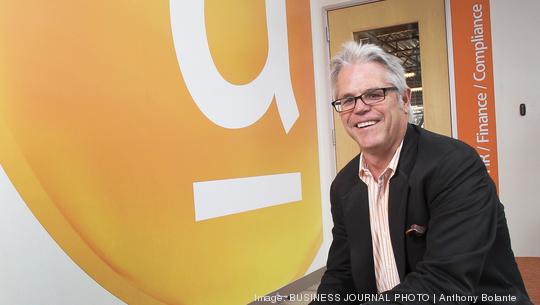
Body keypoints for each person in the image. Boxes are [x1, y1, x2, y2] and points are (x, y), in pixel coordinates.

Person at [312, 41, 532, 304]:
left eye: (374, 94)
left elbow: (444, 283)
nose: (359, 108)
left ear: (405, 100)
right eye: (348, 99)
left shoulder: (455, 165)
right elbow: (341, 274)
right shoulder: (344, 186)